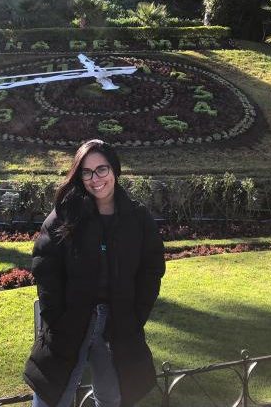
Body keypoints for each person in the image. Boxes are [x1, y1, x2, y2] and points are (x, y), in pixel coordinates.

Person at [24, 139, 166, 407]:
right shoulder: (65, 214)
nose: (95, 179)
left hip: (117, 324)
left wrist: (137, 314)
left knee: (113, 398)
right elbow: (45, 266)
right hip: (70, 322)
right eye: (87, 172)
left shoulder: (137, 218)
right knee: (52, 397)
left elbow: (152, 268)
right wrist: (56, 316)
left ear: (114, 170)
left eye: (102, 169)